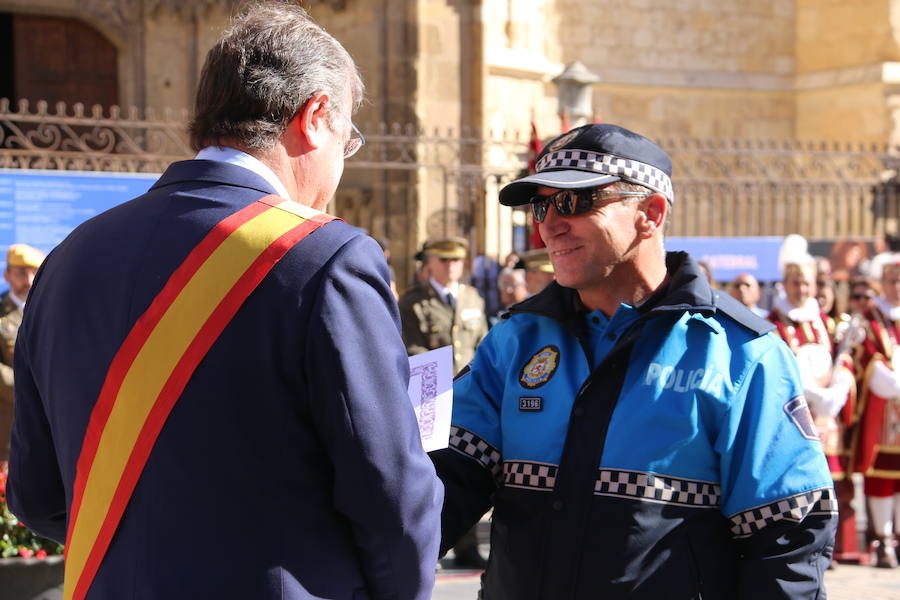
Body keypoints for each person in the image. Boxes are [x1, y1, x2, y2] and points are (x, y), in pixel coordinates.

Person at [7, 4, 442, 599]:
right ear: (315, 116)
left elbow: (36, 496)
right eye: (349, 139)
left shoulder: (68, 257)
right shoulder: (326, 256)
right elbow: (389, 493)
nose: (343, 165)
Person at [430, 123, 836, 599]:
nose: (549, 225)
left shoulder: (742, 354)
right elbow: (437, 490)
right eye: (541, 205)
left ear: (651, 213)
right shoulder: (513, 341)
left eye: (574, 202)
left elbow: (786, 539)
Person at [767, 256, 858, 563]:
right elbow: (778, 365)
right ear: (786, 284)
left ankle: (828, 541)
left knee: (828, 479)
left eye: (807, 282)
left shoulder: (825, 321)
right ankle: (801, 541)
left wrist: (837, 388)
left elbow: (842, 357)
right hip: (795, 411)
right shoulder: (775, 320)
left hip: (826, 415)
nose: (802, 288)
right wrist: (812, 392)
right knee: (798, 479)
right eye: (796, 282)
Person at [853, 255, 900, 567]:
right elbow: (868, 359)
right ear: (882, 284)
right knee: (882, 473)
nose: (897, 287)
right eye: (892, 281)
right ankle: (882, 538)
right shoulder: (871, 319)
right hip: (884, 411)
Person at [399, 236, 488, 375]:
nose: (450, 265)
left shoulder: (473, 298)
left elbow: (483, 344)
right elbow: (413, 348)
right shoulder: (412, 301)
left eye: (456, 259)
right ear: (429, 262)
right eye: (443, 259)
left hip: (471, 384)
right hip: (434, 386)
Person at [0, 243, 44, 464]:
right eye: (20, 273)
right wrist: (38, 389)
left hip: (47, 432)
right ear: (7, 275)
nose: (28, 281)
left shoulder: (47, 313)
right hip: (8, 433)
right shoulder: (2, 315)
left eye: (34, 273)